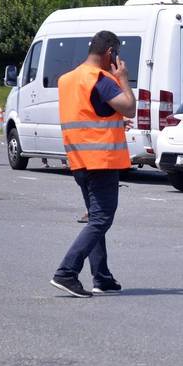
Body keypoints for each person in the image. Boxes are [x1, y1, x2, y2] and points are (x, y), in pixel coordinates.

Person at [49, 31, 136, 298]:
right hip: (102, 160)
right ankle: (66, 272)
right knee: (101, 219)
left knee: (95, 219)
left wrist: (113, 122)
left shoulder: (68, 79)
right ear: (110, 52)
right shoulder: (101, 79)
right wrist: (123, 79)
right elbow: (130, 107)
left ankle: (102, 276)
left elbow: (89, 113)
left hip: (79, 159)